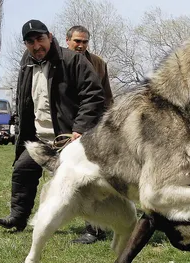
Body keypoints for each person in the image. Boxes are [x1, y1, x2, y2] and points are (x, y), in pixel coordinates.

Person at [0, 19, 105, 232]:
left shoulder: (74, 61)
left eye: (40, 39)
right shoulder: (26, 62)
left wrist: (79, 129)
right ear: (25, 45)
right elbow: (26, 99)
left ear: (50, 36)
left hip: (70, 138)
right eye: (30, 42)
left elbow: (93, 96)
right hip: (39, 137)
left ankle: (94, 229)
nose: (36, 46)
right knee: (22, 171)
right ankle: (18, 218)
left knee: (84, 182)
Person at [66, 25, 113, 244]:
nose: (80, 45)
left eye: (84, 41)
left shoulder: (98, 64)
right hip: (67, 128)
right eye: (77, 41)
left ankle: (94, 229)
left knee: (91, 178)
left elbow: (106, 98)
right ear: (68, 41)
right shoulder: (61, 62)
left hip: (93, 129)